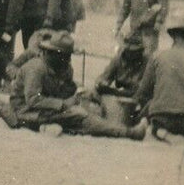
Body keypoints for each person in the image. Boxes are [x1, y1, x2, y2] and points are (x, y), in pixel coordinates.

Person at [9, 33, 145, 139]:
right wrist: (64, 104)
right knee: (81, 116)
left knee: (85, 111)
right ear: (54, 53)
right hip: (26, 112)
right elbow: (33, 100)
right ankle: (129, 133)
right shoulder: (36, 68)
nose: (69, 59)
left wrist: (77, 91)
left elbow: (64, 90)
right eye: (66, 56)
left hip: (45, 110)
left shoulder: (61, 67)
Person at [95, 34, 150, 99]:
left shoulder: (148, 63)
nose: (130, 54)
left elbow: (142, 89)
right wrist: (102, 83)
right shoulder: (117, 60)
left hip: (137, 97)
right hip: (120, 94)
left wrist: (115, 92)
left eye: (134, 52)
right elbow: (105, 77)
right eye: (128, 51)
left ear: (141, 51)